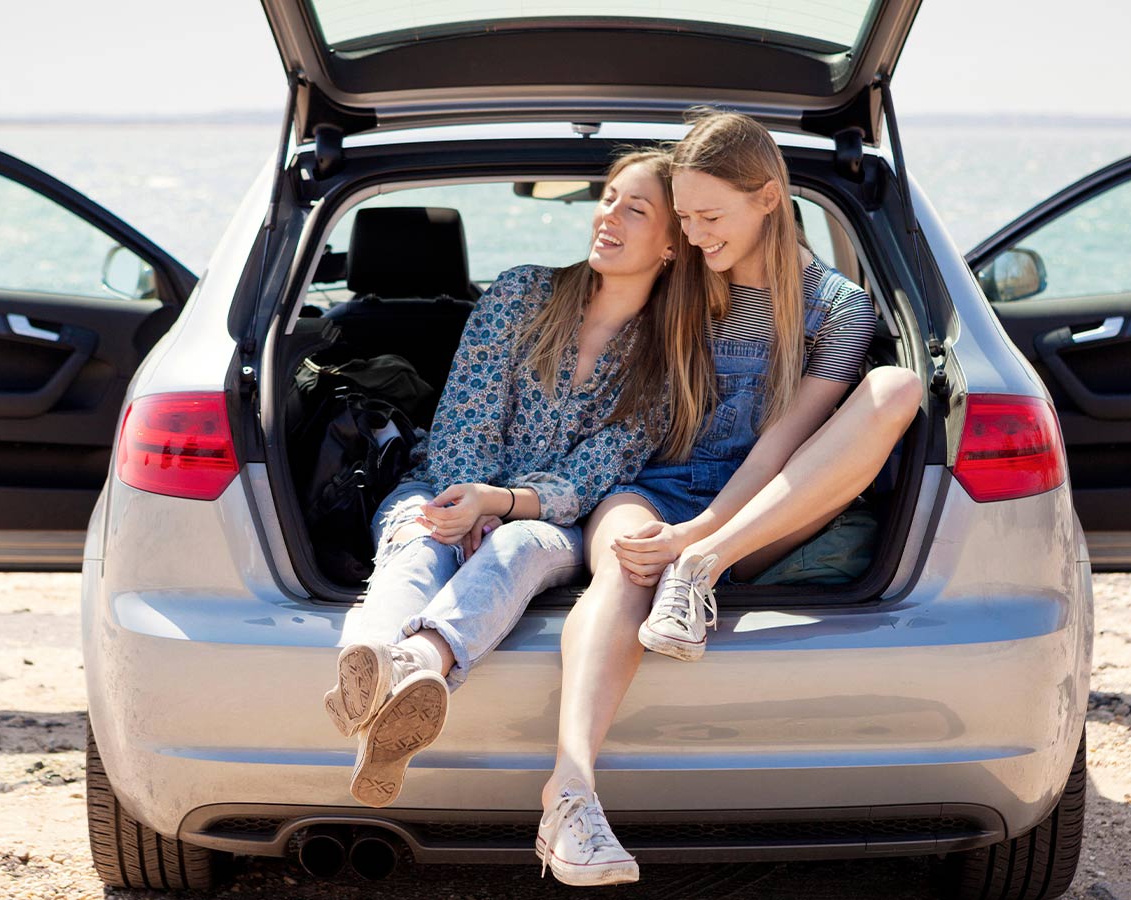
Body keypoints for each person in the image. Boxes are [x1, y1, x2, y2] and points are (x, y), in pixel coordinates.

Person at [536, 110, 924, 886]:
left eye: (711, 216)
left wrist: (705, 538)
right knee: (622, 561)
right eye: (683, 217)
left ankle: (702, 571)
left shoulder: (837, 308)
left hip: (767, 504)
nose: (696, 234)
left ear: (770, 199)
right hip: (653, 481)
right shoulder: (680, 280)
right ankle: (569, 792)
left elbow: (786, 438)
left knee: (897, 386)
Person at [322, 150, 705, 829]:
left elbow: (595, 471)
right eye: (608, 197)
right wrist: (467, 498)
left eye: (634, 207)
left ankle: (410, 663)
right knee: (418, 533)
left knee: (520, 546)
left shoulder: (666, 362)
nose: (608, 215)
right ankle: (385, 666)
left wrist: (498, 506)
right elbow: (466, 411)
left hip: (549, 522)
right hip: (444, 480)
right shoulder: (522, 292)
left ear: (673, 243)